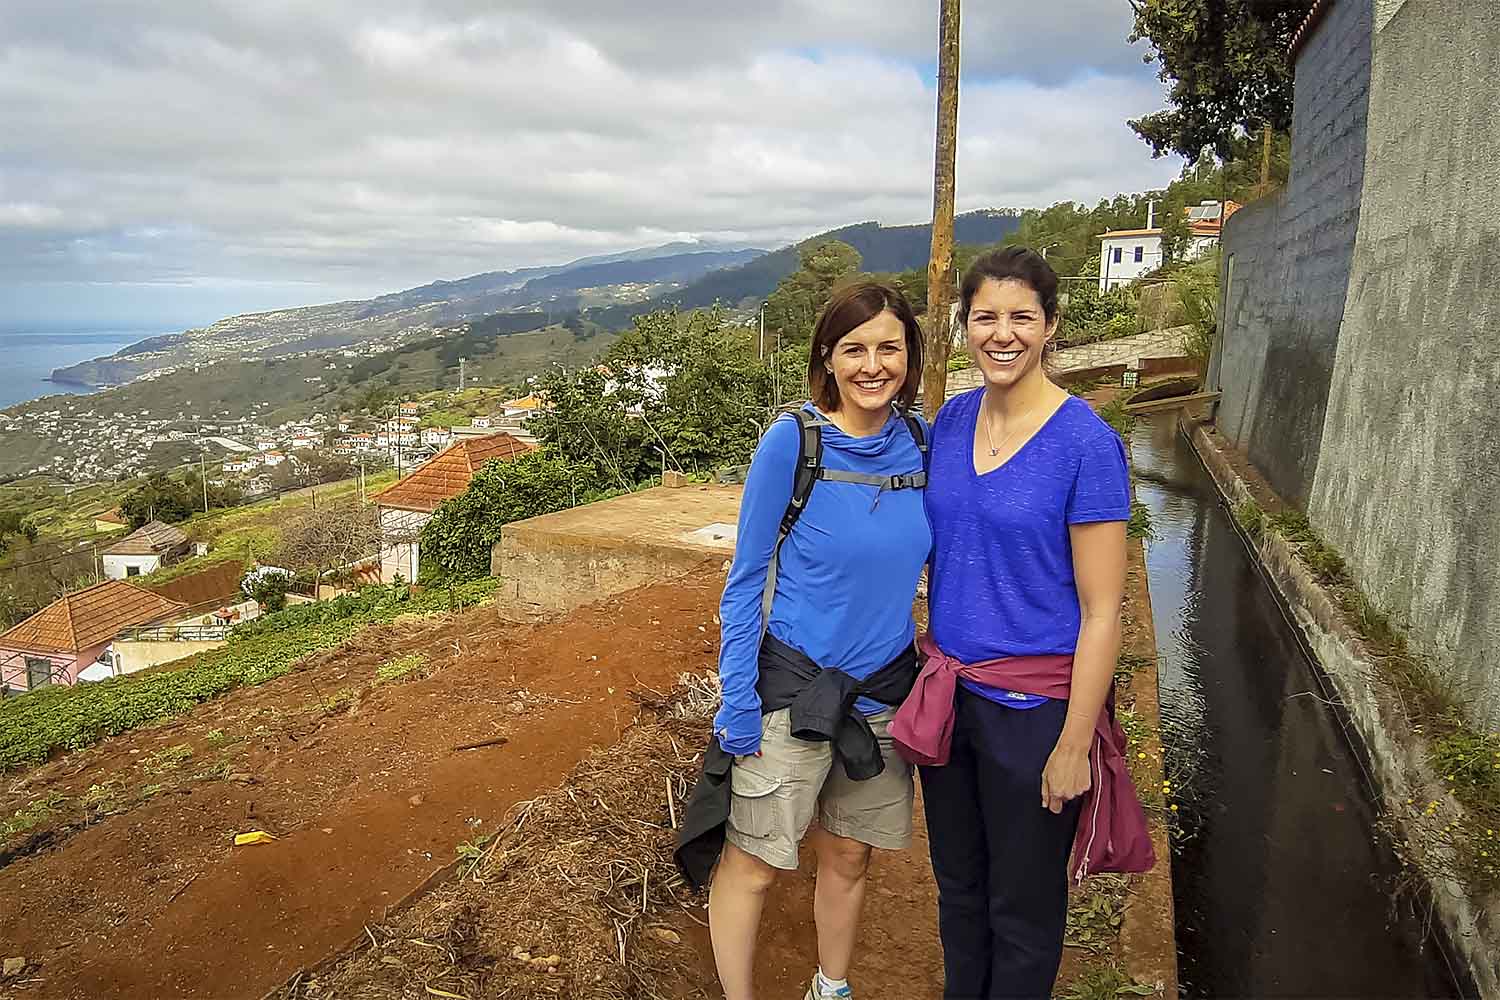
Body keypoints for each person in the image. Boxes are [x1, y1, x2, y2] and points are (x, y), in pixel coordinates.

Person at [897, 247, 1150, 999]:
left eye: (1021, 318)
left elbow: (1105, 609)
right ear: (964, 325)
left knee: (1025, 910)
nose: (1001, 334)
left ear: (1050, 326)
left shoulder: (1084, 444)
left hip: (1035, 711)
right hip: (951, 698)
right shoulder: (952, 421)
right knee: (960, 892)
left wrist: (1076, 742)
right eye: (985, 317)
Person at [682, 280, 931, 1000]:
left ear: (911, 357)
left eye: (890, 347)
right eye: (854, 348)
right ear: (828, 356)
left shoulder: (922, 442)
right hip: (790, 694)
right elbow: (745, 578)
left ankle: (832, 987)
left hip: (882, 696)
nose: (872, 364)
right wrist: (735, 702)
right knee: (755, 863)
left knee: (850, 856)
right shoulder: (795, 441)